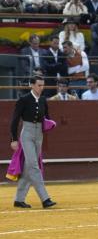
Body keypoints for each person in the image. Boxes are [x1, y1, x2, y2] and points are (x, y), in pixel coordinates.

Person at [9, 76, 57, 209]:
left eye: (43, 85)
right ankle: (45, 199)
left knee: (28, 168)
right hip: (27, 134)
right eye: (39, 85)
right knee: (34, 166)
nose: (41, 88)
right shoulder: (23, 99)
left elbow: (47, 117)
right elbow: (15, 120)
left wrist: (50, 124)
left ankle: (19, 199)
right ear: (32, 85)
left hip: (39, 135)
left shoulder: (42, 100)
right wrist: (13, 139)